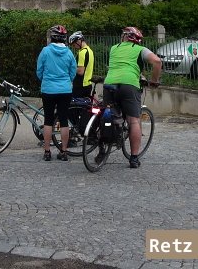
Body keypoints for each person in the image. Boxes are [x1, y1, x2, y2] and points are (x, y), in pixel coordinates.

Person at [103, 26, 162, 169]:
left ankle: (101, 149)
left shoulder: (113, 48)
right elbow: (157, 62)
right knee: (133, 121)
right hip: (129, 85)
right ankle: (134, 158)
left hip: (109, 84)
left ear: (124, 37)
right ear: (137, 40)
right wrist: (154, 81)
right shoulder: (139, 50)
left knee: (107, 116)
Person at [36, 25, 77, 161]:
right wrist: (66, 81)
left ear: (52, 37)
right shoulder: (69, 53)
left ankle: (47, 152)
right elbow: (73, 72)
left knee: (48, 120)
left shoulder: (45, 51)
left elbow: (39, 70)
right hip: (65, 89)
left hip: (48, 89)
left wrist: (46, 80)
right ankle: (64, 151)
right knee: (64, 120)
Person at [68, 31, 94, 98]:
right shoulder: (90, 51)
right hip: (87, 84)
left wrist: (69, 67)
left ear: (79, 41)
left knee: (74, 108)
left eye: (74, 44)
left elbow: (80, 71)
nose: (74, 47)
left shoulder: (82, 53)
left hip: (80, 85)